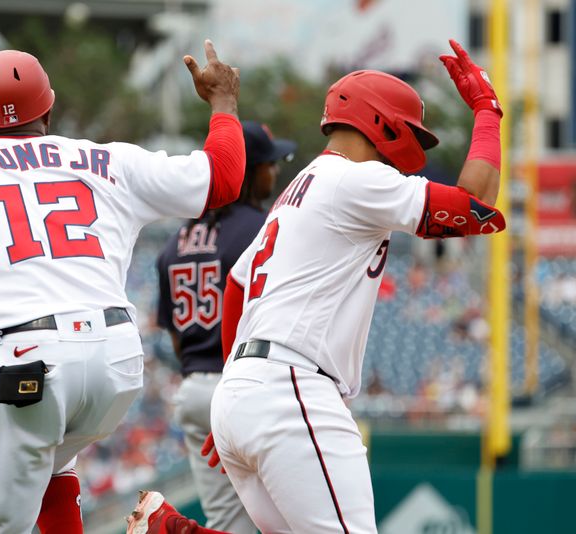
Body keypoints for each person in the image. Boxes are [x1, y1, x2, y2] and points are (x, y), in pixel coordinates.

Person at [0, 40, 245, 534]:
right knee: (50, 469)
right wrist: (223, 103)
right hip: (118, 358)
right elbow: (223, 178)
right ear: (48, 109)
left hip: (30, 359)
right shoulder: (106, 159)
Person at [127, 39, 505, 534]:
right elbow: (475, 204)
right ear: (382, 123)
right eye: (409, 130)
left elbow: (237, 287)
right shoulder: (354, 179)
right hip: (292, 387)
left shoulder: (298, 188)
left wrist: (233, 387)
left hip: (243, 391)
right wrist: (487, 112)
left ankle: (173, 530)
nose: (411, 145)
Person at [155, 121, 295, 533]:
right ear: (248, 171)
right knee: (293, 520)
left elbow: (177, 339)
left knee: (229, 525)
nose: (275, 173)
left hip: (195, 391)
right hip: (244, 386)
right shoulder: (262, 227)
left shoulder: (174, 242)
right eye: (270, 164)